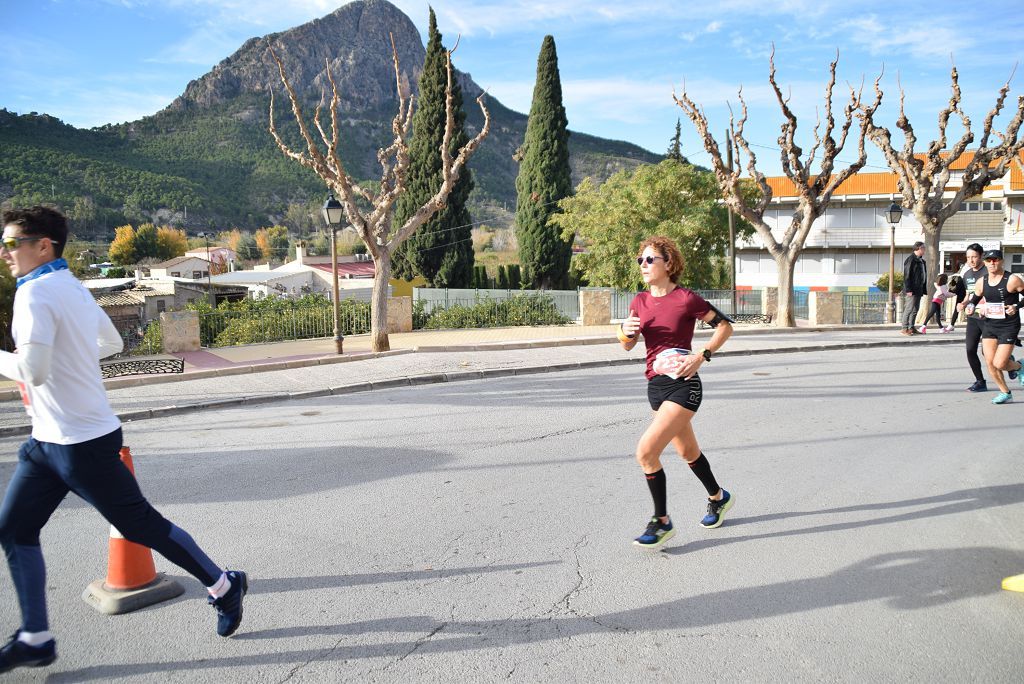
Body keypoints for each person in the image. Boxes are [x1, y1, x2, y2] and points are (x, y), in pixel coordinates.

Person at [0, 207, 247, 674]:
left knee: (142, 527)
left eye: (13, 243)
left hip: (79, 443)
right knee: (13, 529)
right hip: (48, 441)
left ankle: (223, 585)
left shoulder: (34, 295)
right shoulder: (71, 287)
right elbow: (110, 343)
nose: (6, 252)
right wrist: (69, 362)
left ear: (43, 246)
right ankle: (34, 637)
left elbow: (32, 369)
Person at [619, 236, 735, 549]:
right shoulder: (639, 302)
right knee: (687, 452)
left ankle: (662, 521)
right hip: (655, 386)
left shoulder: (686, 299)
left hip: (684, 385)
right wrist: (624, 333)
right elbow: (628, 344)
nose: (643, 265)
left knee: (646, 451)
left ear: (668, 264)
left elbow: (724, 326)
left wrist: (702, 355)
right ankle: (719, 497)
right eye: (640, 260)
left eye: (649, 259)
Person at [964, 248, 1023, 404]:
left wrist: (1016, 306)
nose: (992, 263)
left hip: (1009, 325)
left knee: (1000, 363)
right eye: (988, 261)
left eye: (995, 260)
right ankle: (1005, 392)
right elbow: (974, 299)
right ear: (985, 262)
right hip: (990, 324)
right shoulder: (982, 281)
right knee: (990, 362)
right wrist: (970, 307)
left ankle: (1018, 366)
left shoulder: (1012, 280)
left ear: (1001, 261)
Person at [954, 244, 989, 392]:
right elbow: (969, 295)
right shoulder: (967, 274)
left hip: (988, 318)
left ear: (981, 256)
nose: (971, 260)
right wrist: (962, 304)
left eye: (974, 256)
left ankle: (1010, 362)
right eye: (968, 257)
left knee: (988, 353)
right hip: (973, 317)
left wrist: (986, 305)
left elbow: (991, 292)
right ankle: (980, 381)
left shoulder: (988, 271)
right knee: (970, 349)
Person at [900, 241, 927, 336]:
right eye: (923, 248)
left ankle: (911, 327)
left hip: (919, 289)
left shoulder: (921, 261)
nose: (924, 250)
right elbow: (907, 275)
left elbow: (923, 276)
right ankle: (904, 328)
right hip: (912, 289)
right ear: (919, 248)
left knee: (916, 309)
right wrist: (908, 289)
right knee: (909, 308)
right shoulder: (911, 259)